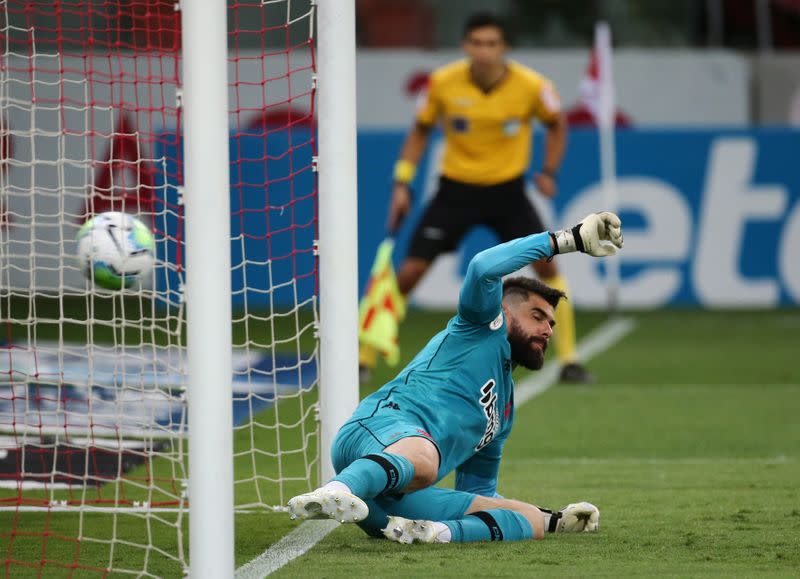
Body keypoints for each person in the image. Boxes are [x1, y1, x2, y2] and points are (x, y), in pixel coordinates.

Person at [288, 212, 623, 544]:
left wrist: (555, 519)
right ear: (503, 312)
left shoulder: (503, 412)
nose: (547, 329)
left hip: (397, 494)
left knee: (530, 521)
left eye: (551, 323)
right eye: (537, 316)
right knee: (426, 459)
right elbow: (483, 267)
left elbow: (477, 492)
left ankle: (434, 534)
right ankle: (336, 490)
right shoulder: (480, 327)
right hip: (374, 436)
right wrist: (569, 240)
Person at [360, 11, 592, 384]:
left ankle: (569, 359)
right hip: (456, 190)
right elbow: (419, 132)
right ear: (466, 45)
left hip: (508, 192)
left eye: (492, 44)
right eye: (477, 43)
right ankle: (363, 354)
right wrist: (402, 182)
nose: (484, 52)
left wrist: (549, 171)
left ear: (505, 47)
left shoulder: (532, 86)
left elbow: (557, 124)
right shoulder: (442, 83)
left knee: (548, 266)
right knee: (409, 272)